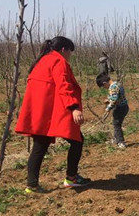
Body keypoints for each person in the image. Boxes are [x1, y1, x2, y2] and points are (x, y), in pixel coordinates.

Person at [15, 36, 91, 192]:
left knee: (39, 146)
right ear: (64, 49)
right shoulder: (58, 62)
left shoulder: (41, 61)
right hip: (51, 112)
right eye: (70, 51)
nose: (70, 55)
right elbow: (64, 85)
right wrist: (74, 107)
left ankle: (32, 184)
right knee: (77, 141)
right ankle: (71, 178)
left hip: (40, 111)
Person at [96, 72, 129, 149]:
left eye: (103, 86)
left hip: (120, 108)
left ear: (105, 83)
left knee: (117, 125)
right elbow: (116, 96)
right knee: (116, 123)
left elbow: (114, 100)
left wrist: (107, 109)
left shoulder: (112, 87)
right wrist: (108, 99)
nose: (105, 88)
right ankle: (116, 138)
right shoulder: (117, 84)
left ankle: (121, 142)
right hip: (124, 107)